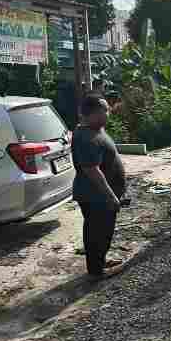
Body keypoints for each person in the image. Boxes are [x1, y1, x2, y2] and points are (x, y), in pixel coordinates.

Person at [72, 94, 127, 278]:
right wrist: (111, 196)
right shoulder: (86, 136)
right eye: (105, 109)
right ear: (94, 113)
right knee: (97, 233)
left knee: (102, 231)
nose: (109, 112)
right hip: (95, 196)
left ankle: (100, 261)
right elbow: (92, 171)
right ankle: (96, 272)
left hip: (100, 196)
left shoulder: (95, 130)